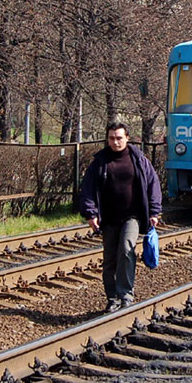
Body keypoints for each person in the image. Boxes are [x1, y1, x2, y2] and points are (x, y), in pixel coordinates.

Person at [79, 122, 162, 313]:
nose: (115, 142)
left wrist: (154, 211)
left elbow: (153, 184)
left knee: (126, 248)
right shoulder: (100, 162)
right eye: (111, 138)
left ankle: (126, 294)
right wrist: (91, 214)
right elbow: (88, 190)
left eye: (119, 138)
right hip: (108, 217)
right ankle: (112, 298)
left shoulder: (139, 159)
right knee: (109, 259)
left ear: (127, 138)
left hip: (132, 216)